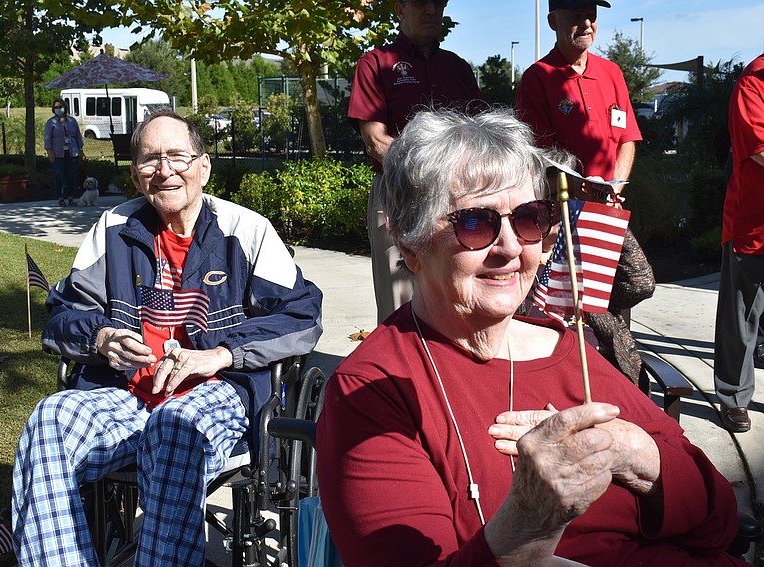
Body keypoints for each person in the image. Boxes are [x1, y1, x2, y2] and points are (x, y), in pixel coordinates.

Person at [316, 108, 749, 566]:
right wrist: (528, 521)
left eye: (528, 218)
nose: (509, 248)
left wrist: (636, 454)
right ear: (409, 244)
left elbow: (719, 521)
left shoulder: (568, 350)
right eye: (473, 222)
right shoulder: (373, 389)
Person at [11, 111, 324, 566]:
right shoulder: (113, 230)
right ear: (136, 176)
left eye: (178, 156)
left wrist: (221, 354)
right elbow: (61, 315)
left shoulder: (245, 230)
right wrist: (98, 337)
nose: (165, 169)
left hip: (217, 394)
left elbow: (302, 316)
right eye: (150, 160)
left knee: (173, 426)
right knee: (50, 419)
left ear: (204, 166)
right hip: (125, 394)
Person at [515, 0, 654, 382]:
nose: (586, 22)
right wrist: (578, 194)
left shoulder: (610, 72)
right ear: (553, 21)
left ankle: (615, 360)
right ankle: (620, 375)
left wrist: (616, 185)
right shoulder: (538, 77)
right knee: (572, 301)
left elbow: (627, 138)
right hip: (565, 214)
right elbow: (541, 156)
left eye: (591, 14)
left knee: (638, 282)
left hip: (608, 208)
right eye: (575, 14)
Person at [347, 0, 484, 324]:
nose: (431, 10)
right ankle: (397, 372)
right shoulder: (375, 63)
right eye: (421, 3)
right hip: (398, 195)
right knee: (399, 303)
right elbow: (375, 140)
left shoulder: (458, 68)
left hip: (457, 199)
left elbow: (480, 135)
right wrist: (434, 170)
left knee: (459, 291)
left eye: (438, 3)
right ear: (399, 9)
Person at [713, 53, 764, 433]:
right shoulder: (753, 82)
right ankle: (733, 397)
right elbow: (759, 149)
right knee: (741, 315)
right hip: (754, 223)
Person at [44, 97, 84, 206]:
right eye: (55, 107)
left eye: (60, 107)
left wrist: (81, 150)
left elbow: (78, 136)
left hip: (72, 151)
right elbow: (47, 138)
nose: (58, 109)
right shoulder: (51, 122)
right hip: (58, 153)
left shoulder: (72, 121)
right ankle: (61, 198)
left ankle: (71, 197)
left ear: (64, 107)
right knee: (59, 175)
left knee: (72, 175)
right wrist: (50, 152)